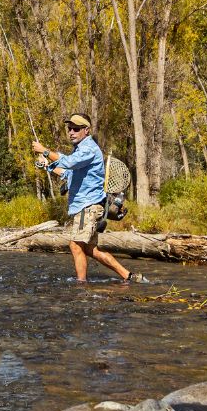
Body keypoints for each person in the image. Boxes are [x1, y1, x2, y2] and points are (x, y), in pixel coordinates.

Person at [32, 113, 147, 284]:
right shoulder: (79, 150)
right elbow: (67, 173)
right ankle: (129, 276)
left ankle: (81, 286)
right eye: (69, 128)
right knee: (91, 250)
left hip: (88, 207)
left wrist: (45, 151)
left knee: (75, 245)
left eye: (76, 129)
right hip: (85, 206)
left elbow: (69, 162)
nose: (71, 132)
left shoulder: (89, 149)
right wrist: (47, 166)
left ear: (86, 130)